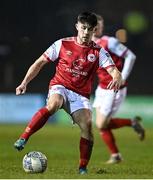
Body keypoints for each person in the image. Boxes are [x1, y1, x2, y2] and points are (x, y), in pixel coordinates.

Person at [14, 12, 122, 174]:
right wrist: (24, 83)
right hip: (60, 86)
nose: (86, 32)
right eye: (83, 28)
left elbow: (113, 70)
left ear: (95, 30)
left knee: (87, 126)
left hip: (80, 95)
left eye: (90, 29)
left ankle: (82, 168)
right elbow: (40, 62)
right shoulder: (62, 44)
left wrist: (117, 76)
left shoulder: (98, 51)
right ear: (77, 26)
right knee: (54, 103)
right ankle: (23, 137)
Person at [92, 14, 145, 164]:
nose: (99, 28)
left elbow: (131, 56)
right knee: (102, 124)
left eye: (101, 26)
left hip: (114, 88)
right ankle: (115, 155)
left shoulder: (110, 42)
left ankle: (130, 123)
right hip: (101, 87)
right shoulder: (88, 44)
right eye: (97, 26)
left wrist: (123, 77)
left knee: (101, 124)